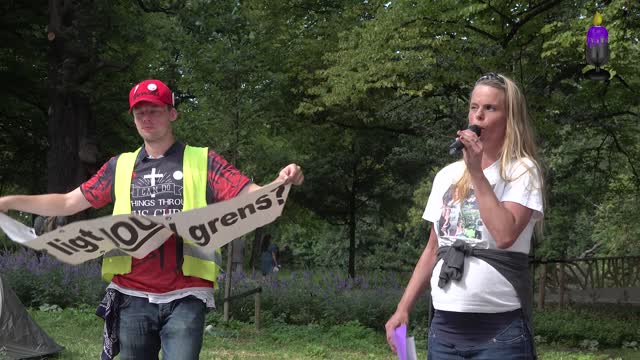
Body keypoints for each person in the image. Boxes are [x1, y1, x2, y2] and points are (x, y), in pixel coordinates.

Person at [0, 79, 304, 360]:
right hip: (131, 295)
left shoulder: (203, 160)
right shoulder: (119, 166)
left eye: (155, 110)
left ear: (172, 114)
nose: (146, 118)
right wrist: (9, 201)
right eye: (140, 112)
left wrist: (280, 182)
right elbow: (68, 201)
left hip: (186, 295)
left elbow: (250, 195)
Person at [385, 73, 543, 359]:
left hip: (500, 332)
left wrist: (476, 173)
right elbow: (433, 248)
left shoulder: (522, 171)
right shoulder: (446, 176)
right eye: (474, 107)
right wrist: (403, 307)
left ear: (510, 118)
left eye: (490, 108)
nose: (478, 116)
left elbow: (505, 235)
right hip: (444, 330)